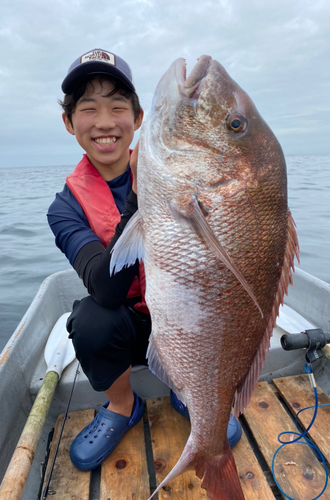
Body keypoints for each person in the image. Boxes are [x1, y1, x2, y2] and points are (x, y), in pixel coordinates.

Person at [47, 48, 241, 471]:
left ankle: (188, 389)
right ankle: (121, 406)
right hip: (127, 323)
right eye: (88, 108)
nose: (103, 122)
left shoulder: (186, 175)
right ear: (69, 123)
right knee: (91, 321)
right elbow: (106, 286)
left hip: (185, 319)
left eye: (118, 107)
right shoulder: (64, 208)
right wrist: (141, 196)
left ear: (138, 119)